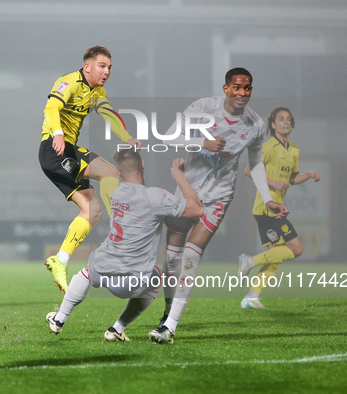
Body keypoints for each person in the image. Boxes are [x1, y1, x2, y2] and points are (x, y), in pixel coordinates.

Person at [149, 68, 289, 344]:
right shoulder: (203, 108)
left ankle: (170, 326)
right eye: (237, 88)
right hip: (187, 191)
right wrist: (203, 143)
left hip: (219, 196)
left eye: (247, 88)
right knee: (172, 258)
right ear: (226, 89)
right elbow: (167, 138)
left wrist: (268, 197)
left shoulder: (256, 124)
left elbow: (256, 163)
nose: (242, 93)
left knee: (191, 254)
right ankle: (167, 311)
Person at [46, 150, 203, 341]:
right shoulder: (156, 197)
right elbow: (197, 210)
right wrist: (180, 177)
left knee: (87, 269)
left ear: (118, 173)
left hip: (103, 270)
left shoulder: (117, 192)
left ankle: (59, 319)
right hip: (131, 282)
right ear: (142, 164)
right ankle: (117, 328)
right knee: (157, 277)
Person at [39, 45, 141, 294]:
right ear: (87, 67)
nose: (106, 71)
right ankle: (122, 235)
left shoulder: (97, 92)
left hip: (68, 152)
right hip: (55, 149)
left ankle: (60, 261)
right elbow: (52, 108)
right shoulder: (68, 82)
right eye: (102, 66)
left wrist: (128, 138)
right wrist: (59, 134)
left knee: (92, 211)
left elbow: (109, 114)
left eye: (109, 68)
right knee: (110, 173)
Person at [238, 106, 320, 309]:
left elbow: (292, 178)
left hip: (276, 208)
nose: (287, 122)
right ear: (273, 125)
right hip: (266, 208)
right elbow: (249, 170)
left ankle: (252, 296)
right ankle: (249, 261)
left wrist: (307, 175)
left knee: (276, 255)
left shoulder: (294, 149)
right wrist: (272, 184)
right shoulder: (268, 147)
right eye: (281, 119)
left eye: (289, 119)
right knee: (296, 248)